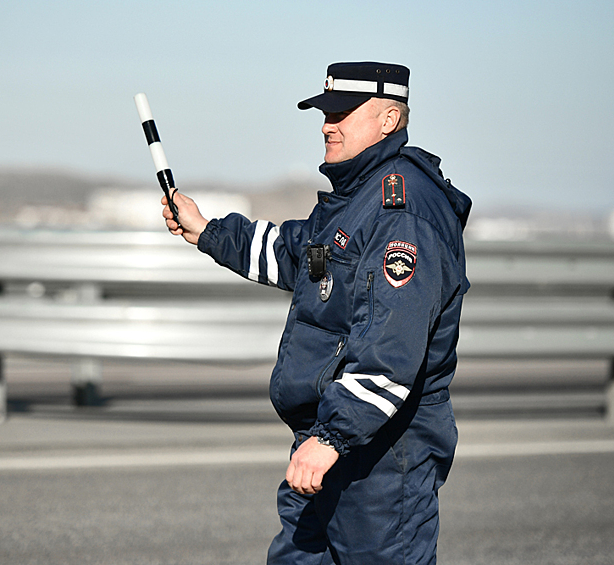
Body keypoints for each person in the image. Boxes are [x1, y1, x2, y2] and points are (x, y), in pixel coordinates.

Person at [162, 61, 472, 565]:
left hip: (382, 453)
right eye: (325, 111)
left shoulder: (404, 210)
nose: (329, 124)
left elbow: (392, 347)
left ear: (389, 121)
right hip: (332, 438)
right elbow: (300, 255)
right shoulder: (358, 197)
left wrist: (333, 437)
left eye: (344, 113)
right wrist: (208, 231)